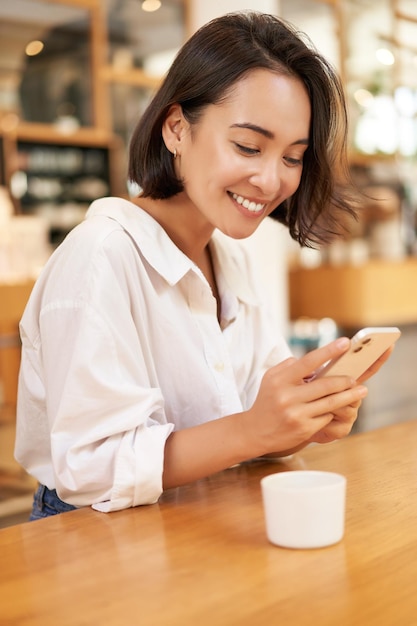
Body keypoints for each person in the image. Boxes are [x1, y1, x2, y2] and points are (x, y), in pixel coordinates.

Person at [15, 11, 392, 519]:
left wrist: (300, 417)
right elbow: (91, 468)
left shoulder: (228, 256)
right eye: (248, 146)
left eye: (292, 157)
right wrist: (254, 429)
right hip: (93, 537)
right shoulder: (101, 257)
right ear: (176, 129)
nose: (270, 179)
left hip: (205, 515)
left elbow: (254, 417)